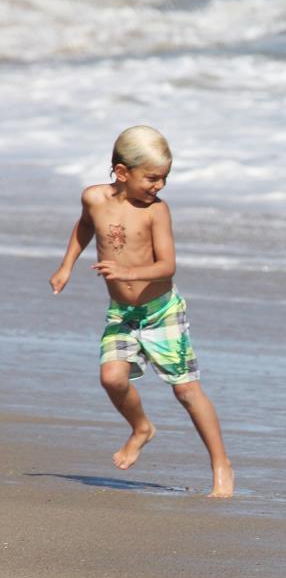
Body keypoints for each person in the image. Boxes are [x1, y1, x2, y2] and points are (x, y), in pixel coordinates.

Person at [49, 125, 234, 498]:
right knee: (112, 379)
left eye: (165, 178)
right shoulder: (93, 199)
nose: (159, 186)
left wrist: (129, 271)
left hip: (161, 311)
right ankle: (141, 428)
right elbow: (85, 227)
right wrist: (66, 265)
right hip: (122, 312)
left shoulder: (157, 212)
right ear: (121, 172)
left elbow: (167, 266)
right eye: (152, 178)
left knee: (186, 391)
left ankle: (221, 465)